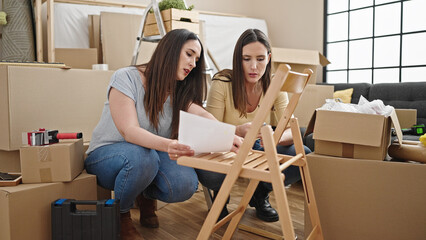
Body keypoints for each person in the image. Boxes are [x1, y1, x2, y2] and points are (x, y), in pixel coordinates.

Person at [84, 29, 241, 240]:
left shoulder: (178, 90)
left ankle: (142, 192)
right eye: (189, 54)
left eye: (197, 59)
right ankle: (120, 215)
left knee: (185, 184)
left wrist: (227, 135)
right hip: (107, 155)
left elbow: (201, 113)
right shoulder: (126, 77)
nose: (193, 63)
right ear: (171, 50)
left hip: (150, 155)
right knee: (142, 158)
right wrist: (169, 145)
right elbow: (129, 131)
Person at [196, 29, 312, 222]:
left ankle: (259, 192)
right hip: (226, 147)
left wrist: (273, 139)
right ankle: (221, 197)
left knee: (304, 155)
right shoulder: (222, 82)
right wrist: (237, 131)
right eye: (247, 59)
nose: (254, 66)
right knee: (214, 172)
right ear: (237, 59)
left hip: (258, 146)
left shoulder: (275, 84)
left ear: (268, 58)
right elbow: (210, 130)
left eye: (260, 59)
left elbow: (291, 128)